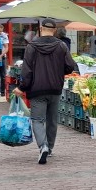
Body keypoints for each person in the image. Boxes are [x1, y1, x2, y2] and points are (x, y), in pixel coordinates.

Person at [13, 19, 75, 164]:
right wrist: (58, 69)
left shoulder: (32, 46)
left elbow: (26, 71)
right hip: (55, 88)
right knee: (52, 120)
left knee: (37, 120)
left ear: (41, 29)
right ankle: (50, 148)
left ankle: (43, 146)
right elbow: (70, 66)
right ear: (54, 30)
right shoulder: (61, 46)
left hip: (37, 89)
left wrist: (21, 87)